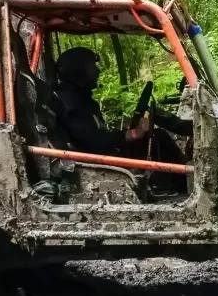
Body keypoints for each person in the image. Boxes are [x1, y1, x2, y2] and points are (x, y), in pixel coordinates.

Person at [53, 47, 193, 193]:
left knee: (156, 137)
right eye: (92, 67)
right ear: (77, 70)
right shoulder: (71, 103)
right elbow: (94, 141)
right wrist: (132, 134)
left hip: (102, 155)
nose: (97, 71)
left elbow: (96, 136)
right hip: (96, 164)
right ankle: (185, 188)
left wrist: (130, 134)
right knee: (159, 138)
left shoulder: (79, 99)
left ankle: (178, 186)